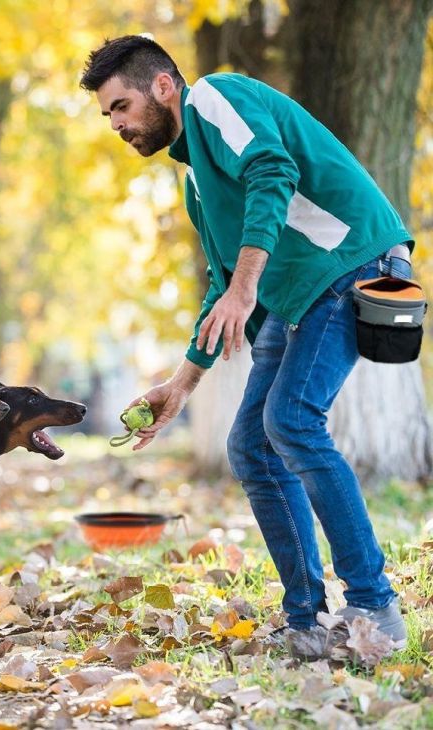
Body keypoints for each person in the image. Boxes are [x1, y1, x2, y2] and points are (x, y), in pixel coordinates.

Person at [80, 35, 411, 657]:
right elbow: (221, 282)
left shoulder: (214, 97)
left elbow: (273, 169)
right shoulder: (197, 183)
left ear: (161, 86)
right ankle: (307, 620)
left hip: (353, 265)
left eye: (120, 106)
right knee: (250, 446)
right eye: (108, 116)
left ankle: (374, 606)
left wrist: (244, 285)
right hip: (301, 295)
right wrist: (181, 385)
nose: (117, 126)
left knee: (290, 421)